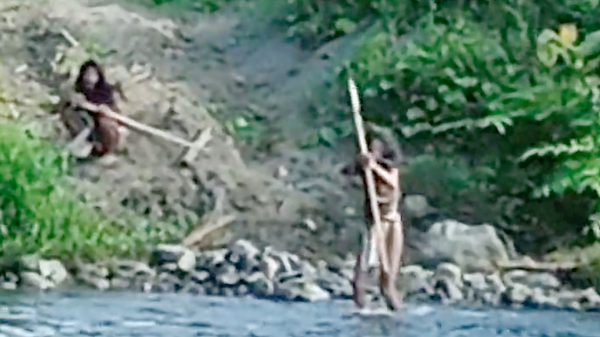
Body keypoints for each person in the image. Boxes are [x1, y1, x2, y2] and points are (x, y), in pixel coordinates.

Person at [342, 136, 404, 311]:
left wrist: (374, 166)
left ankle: (394, 309)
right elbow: (345, 173)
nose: (373, 151)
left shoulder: (389, 166)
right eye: (370, 147)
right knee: (363, 272)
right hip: (374, 222)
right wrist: (361, 165)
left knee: (389, 277)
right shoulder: (364, 167)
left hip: (392, 219)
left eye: (376, 147)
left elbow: (393, 184)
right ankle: (360, 306)